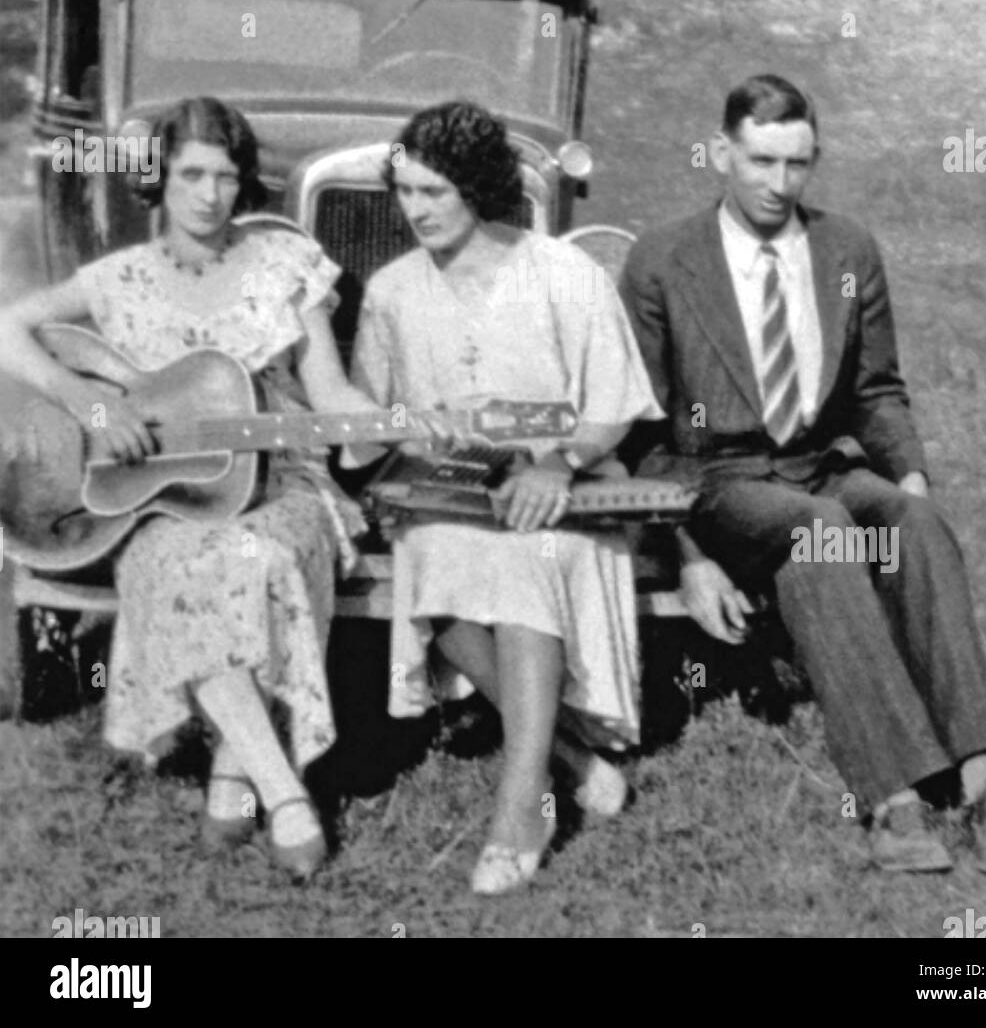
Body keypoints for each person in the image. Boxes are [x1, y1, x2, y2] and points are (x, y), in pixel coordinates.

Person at [619, 74, 986, 875]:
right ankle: (894, 797)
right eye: (760, 162)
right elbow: (641, 433)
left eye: (797, 164)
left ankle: (985, 782)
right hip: (722, 483)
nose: (779, 185)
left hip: (818, 467)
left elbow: (876, 391)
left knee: (907, 522)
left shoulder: (845, 250)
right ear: (721, 153)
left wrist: (908, 478)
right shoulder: (663, 260)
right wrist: (686, 555)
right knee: (821, 533)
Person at [0, 97, 378, 881]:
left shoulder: (285, 268)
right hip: (165, 498)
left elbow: (331, 392)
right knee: (176, 566)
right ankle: (285, 793)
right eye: (192, 175)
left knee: (253, 558)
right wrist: (89, 403)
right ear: (160, 180)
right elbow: (7, 324)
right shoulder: (121, 278)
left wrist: (393, 424)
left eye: (227, 177)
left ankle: (233, 772)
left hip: (285, 483)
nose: (210, 195)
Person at [350, 101, 663, 894]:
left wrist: (557, 463)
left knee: (531, 555)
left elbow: (612, 405)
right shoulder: (391, 292)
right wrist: (416, 437)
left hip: (569, 482)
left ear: (478, 188)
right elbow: (365, 422)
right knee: (434, 555)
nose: (415, 210)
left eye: (434, 192)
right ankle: (569, 754)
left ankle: (520, 808)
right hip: (448, 494)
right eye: (406, 192)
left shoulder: (562, 273)